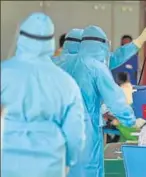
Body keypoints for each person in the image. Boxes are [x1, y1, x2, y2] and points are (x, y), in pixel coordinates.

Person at [62, 25, 146, 177]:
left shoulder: (60, 64)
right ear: (102, 45)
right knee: (88, 169)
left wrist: (138, 42)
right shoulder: (95, 66)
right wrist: (131, 121)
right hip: (86, 129)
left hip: (60, 129)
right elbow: (115, 99)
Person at [1, 12, 85, 177]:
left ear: (21, 37)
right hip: (50, 166)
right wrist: (68, 162)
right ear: (51, 41)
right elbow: (75, 135)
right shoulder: (66, 83)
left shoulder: (3, 73)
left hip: (6, 163)